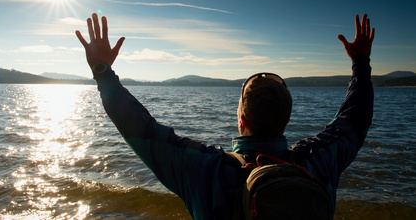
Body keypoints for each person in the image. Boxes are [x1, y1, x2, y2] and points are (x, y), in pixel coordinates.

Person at [76, 13, 375, 219]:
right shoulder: (318, 160)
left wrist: (102, 72)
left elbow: (141, 130)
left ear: (241, 120)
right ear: (286, 118)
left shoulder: (205, 169)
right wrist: (360, 62)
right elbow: (355, 119)